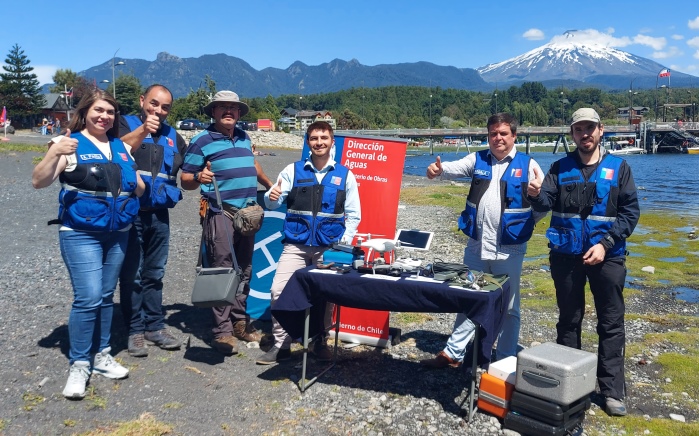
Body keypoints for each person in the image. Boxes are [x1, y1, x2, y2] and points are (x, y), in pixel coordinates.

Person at [31, 89, 145, 399]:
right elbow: (38, 181)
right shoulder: (68, 143)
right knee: (89, 296)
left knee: (106, 295)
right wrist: (55, 152)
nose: (104, 116)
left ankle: (102, 355)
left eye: (110, 112)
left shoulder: (120, 146)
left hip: (117, 232)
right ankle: (79, 364)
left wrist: (139, 178)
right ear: (86, 112)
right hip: (80, 232)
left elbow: (136, 186)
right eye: (99, 110)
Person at [527, 108, 639, 417]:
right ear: (573, 134)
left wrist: (605, 245)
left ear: (601, 130)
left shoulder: (620, 169)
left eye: (590, 128)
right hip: (566, 257)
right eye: (579, 129)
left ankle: (612, 391)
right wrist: (534, 194)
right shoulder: (559, 168)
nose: (584, 133)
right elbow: (545, 201)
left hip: (608, 257)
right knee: (568, 320)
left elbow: (630, 213)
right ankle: (569, 385)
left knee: (611, 323)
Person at [421, 112, 545, 369]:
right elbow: (449, 169)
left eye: (503, 133)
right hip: (476, 245)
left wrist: (528, 222)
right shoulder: (477, 159)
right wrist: (437, 170)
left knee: (510, 308)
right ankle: (454, 352)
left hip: (509, 249)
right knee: (469, 298)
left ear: (514, 136)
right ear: (488, 136)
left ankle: (505, 360)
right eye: (493, 134)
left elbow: (543, 203)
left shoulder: (530, 164)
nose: (497, 138)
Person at [256, 120, 361, 365]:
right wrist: (271, 198)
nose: (319, 143)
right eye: (314, 138)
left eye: (323, 138)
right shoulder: (292, 171)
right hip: (296, 245)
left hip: (328, 248)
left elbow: (354, 215)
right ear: (308, 142)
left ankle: (319, 341)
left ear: (332, 142)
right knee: (278, 290)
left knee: (325, 297)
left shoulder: (345, 175)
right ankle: (281, 344)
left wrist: (341, 244)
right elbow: (273, 202)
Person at [181, 90, 273, 356]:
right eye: (222, 107)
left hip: (248, 213)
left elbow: (253, 165)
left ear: (240, 113)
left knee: (245, 268)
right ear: (213, 112)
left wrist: (269, 185)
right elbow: (185, 179)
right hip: (221, 212)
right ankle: (221, 331)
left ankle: (240, 322)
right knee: (222, 268)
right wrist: (199, 176)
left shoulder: (244, 137)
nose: (229, 111)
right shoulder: (201, 140)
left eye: (233, 108)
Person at [117, 84, 187, 357]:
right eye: (154, 103)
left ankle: (155, 326)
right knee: (132, 275)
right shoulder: (124, 125)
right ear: (142, 100)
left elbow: (188, 172)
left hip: (159, 214)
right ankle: (135, 329)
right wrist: (145, 128)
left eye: (165, 106)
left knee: (155, 273)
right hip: (130, 212)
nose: (159, 110)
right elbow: (118, 150)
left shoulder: (175, 137)